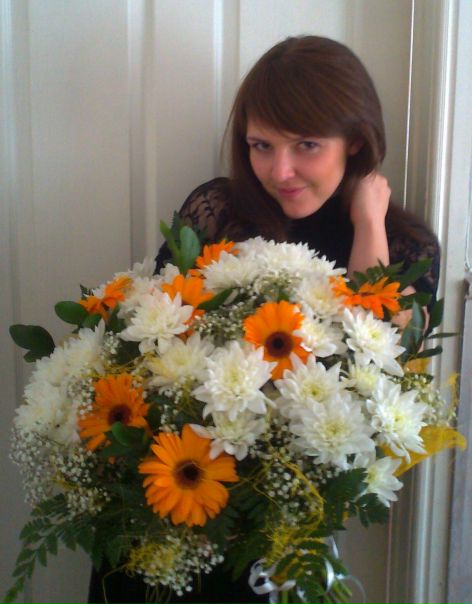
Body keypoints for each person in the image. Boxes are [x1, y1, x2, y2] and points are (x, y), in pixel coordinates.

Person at [88, 35, 439, 604]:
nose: (281, 171)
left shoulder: (403, 244)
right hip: (172, 490)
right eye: (261, 145)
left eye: (307, 145)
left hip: (276, 531)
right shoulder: (218, 211)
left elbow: (375, 364)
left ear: (355, 141)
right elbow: (151, 339)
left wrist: (369, 221)